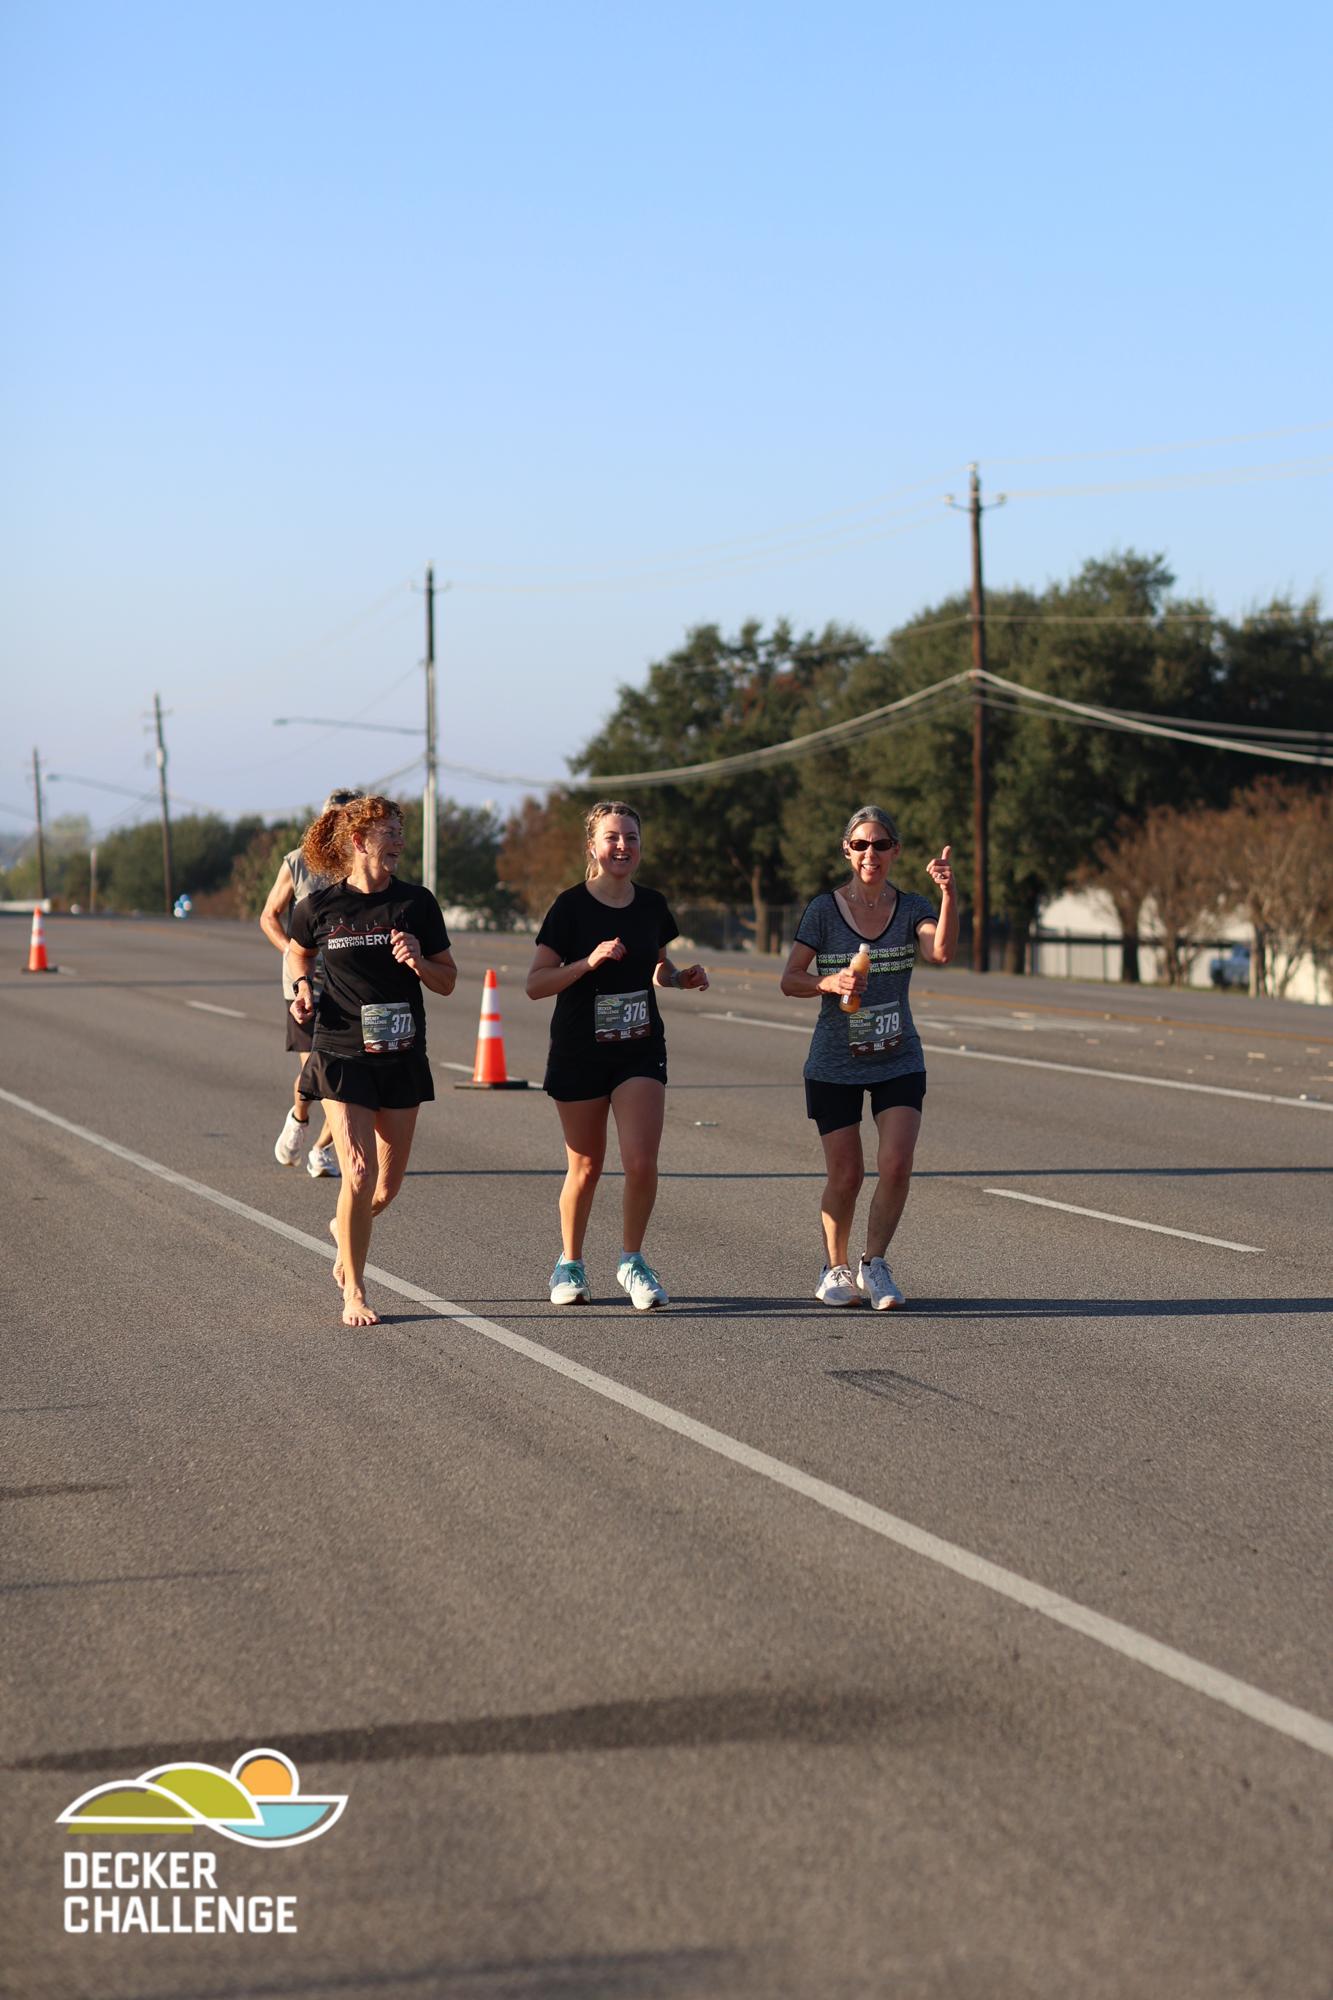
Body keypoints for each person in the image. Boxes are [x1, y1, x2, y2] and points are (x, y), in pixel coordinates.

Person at [525, 800, 709, 1310]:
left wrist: (680, 977)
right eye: (612, 837)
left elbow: (657, 968)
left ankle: (632, 1260)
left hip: (639, 1049)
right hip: (580, 1051)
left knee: (641, 1162)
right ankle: (570, 1263)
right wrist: (588, 962)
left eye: (631, 837)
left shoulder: (652, 905)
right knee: (586, 1166)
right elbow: (536, 984)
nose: (623, 846)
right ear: (593, 847)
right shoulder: (569, 907)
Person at [287, 795, 457, 1327]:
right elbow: (297, 951)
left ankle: (345, 1226)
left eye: (401, 832)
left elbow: (448, 981)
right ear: (359, 841)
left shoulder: (417, 904)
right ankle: (355, 1291)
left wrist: (419, 960)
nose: (400, 841)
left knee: (384, 1188)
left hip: (401, 1055)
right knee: (358, 1173)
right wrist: (300, 987)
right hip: (341, 1052)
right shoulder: (320, 906)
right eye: (390, 832)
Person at [780, 806, 957, 1309]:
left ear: (895, 851)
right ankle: (834, 1269)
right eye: (860, 845)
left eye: (880, 845)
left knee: (896, 1164)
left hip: (898, 1056)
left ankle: (874, 1264)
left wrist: (949, 895)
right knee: (847, 1175)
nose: (870, 854)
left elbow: (940, 951)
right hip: (834, 1061)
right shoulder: (823, 910)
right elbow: (790, 979)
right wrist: (828, 982)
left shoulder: (913, 906)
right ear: (847, 851)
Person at [260, 788, 361, 1178]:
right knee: (318, 1070)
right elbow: (269, 915)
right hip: (304, 983)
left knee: (348, 1073)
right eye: (334, 819)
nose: (340, 827)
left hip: (347, 983)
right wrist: (292, 951)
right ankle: (299, 1117)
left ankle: (321, 1149)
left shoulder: (362, 863)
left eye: (350, 820)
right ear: (323, 821)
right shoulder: (299, 862)